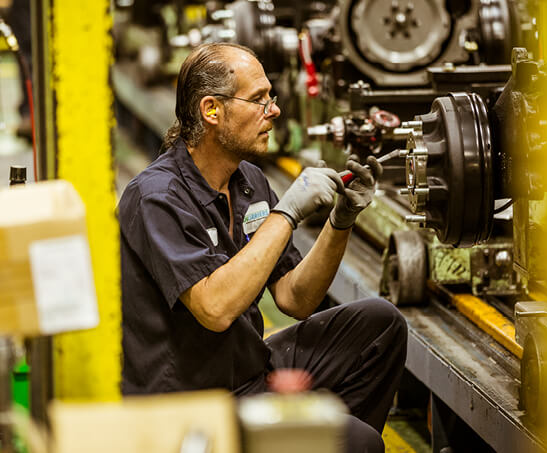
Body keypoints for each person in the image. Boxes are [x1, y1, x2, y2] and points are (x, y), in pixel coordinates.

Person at [118, 43, 407, 452]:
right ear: (212, 110)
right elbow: (215, 309)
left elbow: (295, 297)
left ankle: (313, 441)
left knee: (380, 324)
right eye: (258, 100)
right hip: (191, 406)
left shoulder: (248, 180)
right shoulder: (157, 198)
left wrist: (340, 221)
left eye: (270, 97)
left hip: (246, 372)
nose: (274, 111)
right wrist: (286, 213)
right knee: (358, 442)